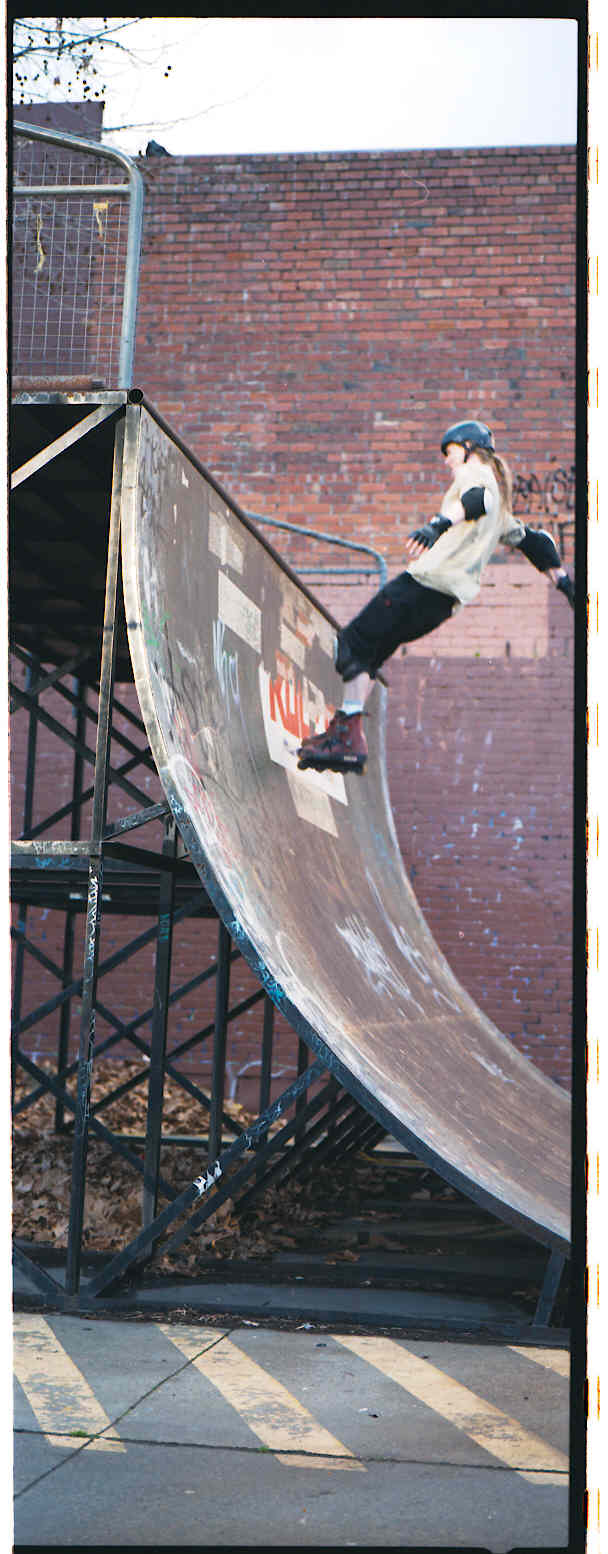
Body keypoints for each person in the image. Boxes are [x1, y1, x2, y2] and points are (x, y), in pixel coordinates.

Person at [297, 419, 575, 776]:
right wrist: (564, 583)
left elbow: (479, 499)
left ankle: (349, 738)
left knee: (352, 644)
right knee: (369, 655)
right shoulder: (501, 512)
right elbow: (535, 542)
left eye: (450, 452)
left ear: (469, 448)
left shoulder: (477, 476)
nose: (446, 460)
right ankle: (347, 738)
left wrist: (438, 524)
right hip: (443, 603)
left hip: (424, 584)